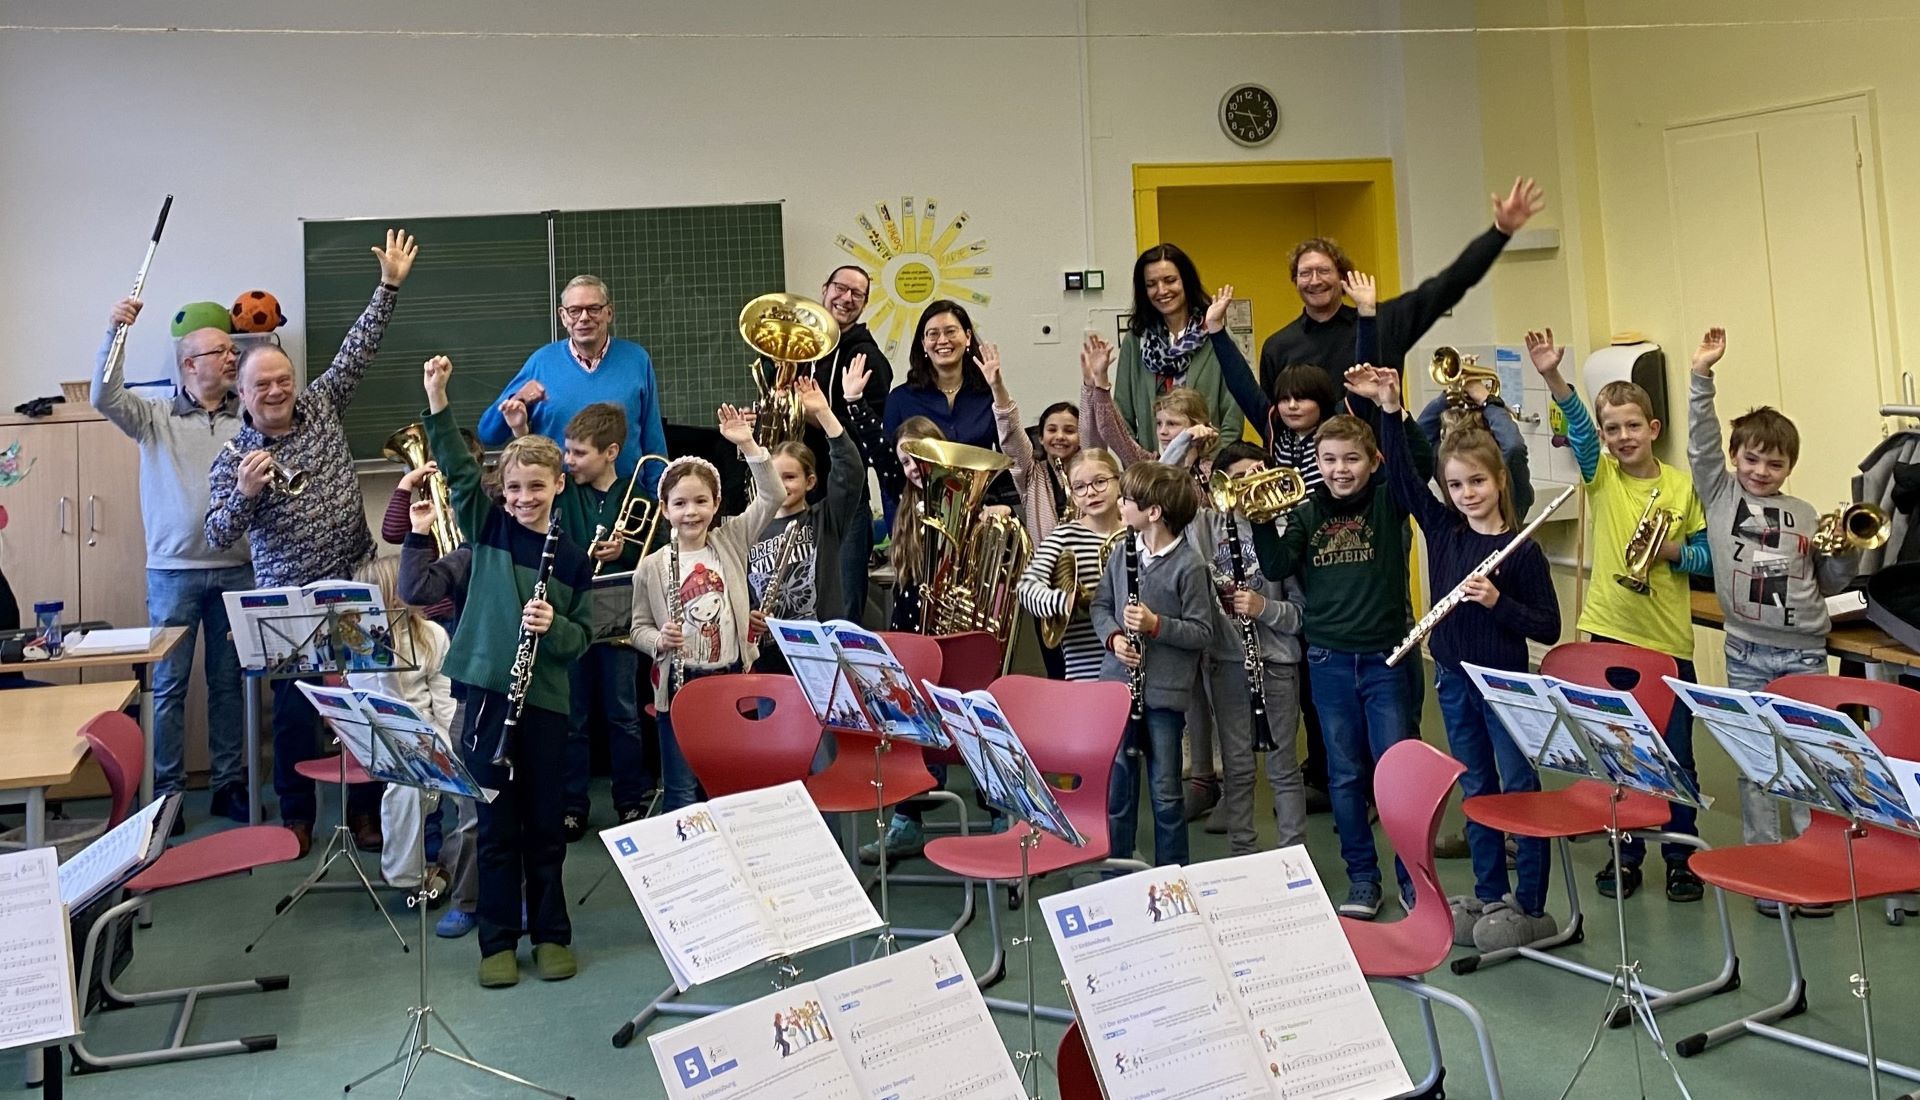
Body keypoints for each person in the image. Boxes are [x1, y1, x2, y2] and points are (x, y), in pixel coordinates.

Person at [205, 228, 417, 856]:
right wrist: (244, 493)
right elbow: (218, 534)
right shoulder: (234, 454)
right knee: (297, 715)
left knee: (366, 706)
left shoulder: (322, 406)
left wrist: (389, 286)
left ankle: (367, 815)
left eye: (282, 380)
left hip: (354, 585)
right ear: (241, 396)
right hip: (287, 602)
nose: (275, 392)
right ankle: (295, 817)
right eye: (261, 385)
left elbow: (358, 349)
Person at [1363, 365, 1561, 950]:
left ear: (1499, 481)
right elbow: (1401, 481)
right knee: (1475, 788)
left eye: (1477, 482)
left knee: (1518, 787)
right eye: (1456, 485)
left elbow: (1546, 625)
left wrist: (1498, 602)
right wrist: (1393, 411)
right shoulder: (1447, 531)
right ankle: (1489, 891)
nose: (1466, 494)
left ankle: (1529, 904)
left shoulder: (1520, 549)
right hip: (1453, 679)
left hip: (1505, 686)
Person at [422, 353, 594, 988]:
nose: (524, 498)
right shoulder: (488, 527)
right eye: (514, 488)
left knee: (545, 828)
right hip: (488, 696)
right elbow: (460, 473)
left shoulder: (572, 559)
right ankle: (496, 939)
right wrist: (439, 402)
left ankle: (551, 933)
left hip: (544, 703)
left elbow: (581, 639)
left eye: (537, 488)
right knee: (494, 827)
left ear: (558, 488)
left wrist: (557, 629)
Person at [1527, 328, 1710, 904]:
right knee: (1620, 753)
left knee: (1678, 758)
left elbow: (1704, 555)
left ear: (1653, 429)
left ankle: (1681, 855)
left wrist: (1673, 550)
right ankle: (1624, 852)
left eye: (1633, 425)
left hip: (1668, 644)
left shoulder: (1682, 488)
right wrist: (1556, 378)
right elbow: (1577, 425)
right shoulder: (1600, 477)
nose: (1622, 436)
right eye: (1612, 429)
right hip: (1610, 635)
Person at [1686, 327, 1857, 916]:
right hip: (1746, 652)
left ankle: (1811, 867)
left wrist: (1843, 553)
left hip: (1805, 652)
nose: (1762, 470)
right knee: (1758, 765)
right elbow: (1701, 444)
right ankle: (1766, 866)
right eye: (1751, 459)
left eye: (1774, 462)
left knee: (1807, 762)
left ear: (1790, 467)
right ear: (1735, 460)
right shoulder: (1721, 495)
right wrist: (1702, 376)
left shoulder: (1804, 512)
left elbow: (1827, 583)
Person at [90, 296, 252, 823]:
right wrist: (117, 332)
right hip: (172, 574)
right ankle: (167, 795)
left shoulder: (247, 415)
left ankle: (230, 783)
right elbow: (102, 394)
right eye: (220, 351)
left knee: (230, 683)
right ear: (189, 365)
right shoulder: (153, 416)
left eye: (233, 350)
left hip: (236, 568)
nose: (232, 358)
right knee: (169, 688)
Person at [1250, 413, 1415, 920]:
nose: (1340, 469)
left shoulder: (1390, 500)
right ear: (1315, 464)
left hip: (1388, 657)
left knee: (1396, 774)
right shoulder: (1305, 513)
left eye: (1351, 459)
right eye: (1328, 460)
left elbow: (1416, 464)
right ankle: (1363, 878)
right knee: (1344, 776)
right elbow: (1277, 567)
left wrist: (1388, 409)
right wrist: (1257, 517)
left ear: (1373, 461)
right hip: (1328, 658)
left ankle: (1414, 880)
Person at [1255, 179, 1546, 396]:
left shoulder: (1386, 322)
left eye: (1323, 271)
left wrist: (1500, 233)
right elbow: (1271, 419)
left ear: (1343, 277)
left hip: (1383, 465)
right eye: (1305, 273)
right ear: (1295, 281)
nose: (1315, 280)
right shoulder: (1278, 347)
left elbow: (1451, 283)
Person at [629, 406, 781, 812]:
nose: (691, 512)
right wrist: (658, 640)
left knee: (730, 783)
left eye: (700, 501)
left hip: (731, 678)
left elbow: (773, 495)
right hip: (678, 688)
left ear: (716, 504)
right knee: (680, 792)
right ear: (665, 509)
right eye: (679, 504)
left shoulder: (730, 540)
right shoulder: (652, 565)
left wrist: (747, 444)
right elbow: (638, 628)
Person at [1187, 440, 1308, 857]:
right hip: (1225, 664)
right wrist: (1186, 450)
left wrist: (1264, 607)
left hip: (1275, 662)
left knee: (1283, 766)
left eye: (1258, 474)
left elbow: (1300, 616)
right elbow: (1164, 489)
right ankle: (1244, 855)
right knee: (1237, 768)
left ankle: (1294, 856)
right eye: (1239, 478)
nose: (1249, 486)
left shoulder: (1286, 530)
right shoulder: (1206, 526)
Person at [1091, 461, 1215, 868]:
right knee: (1118, 793)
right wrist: (1113, 638)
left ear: (1154, 512)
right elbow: (1101, 605)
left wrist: (1156, 625)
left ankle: (1172, 877)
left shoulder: (1190, 566)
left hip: (1162, 697)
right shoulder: (1121, 552)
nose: (1121, 504)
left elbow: (1202, 633)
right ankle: (1118, 873)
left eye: (1127, 499)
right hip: (1118, 692)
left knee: (1165, 794)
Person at [755, 266, 894, 623]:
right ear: (824, 288)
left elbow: (870, 437)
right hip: (789, 499)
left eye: (857, 294)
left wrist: (808, 413)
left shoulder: (868, 359)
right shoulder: (798, 351)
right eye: (840, 288)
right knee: (786, 601)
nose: (846, 298)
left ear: (864, 303)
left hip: (841, 502)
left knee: (841, 607)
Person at [554, 402, 648, 842]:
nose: (568, 460)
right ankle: (572, 804)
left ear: (610, 452)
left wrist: (625, 551)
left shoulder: (638, 494)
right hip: (573, 617)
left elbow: (655, 550)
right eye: (567, 451)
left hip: (620, 623)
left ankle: (631, 799)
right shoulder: (563, 492)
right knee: (572, 718)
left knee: (623, 715)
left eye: (578, 453)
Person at [476, 274, 668, 487]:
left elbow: (654, 442)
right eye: (574, 311)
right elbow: (489, 433)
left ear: (609, 313)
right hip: (560, 500)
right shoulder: (542, 362)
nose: (584, 318)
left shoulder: (636, 360)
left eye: (593, 309)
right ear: (563, 316)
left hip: (625, 499)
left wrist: (656, 500)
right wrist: (518, 398)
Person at [396, 501, 481, 938]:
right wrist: (417, 534)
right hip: (474, 692)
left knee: (529, 807)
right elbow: (415, 590)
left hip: (534, 693)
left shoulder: (548, 549)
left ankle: (524, 897)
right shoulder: (469, 554)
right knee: (470, 807)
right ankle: (467, 899)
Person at [346, 555, 454, 897]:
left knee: (469, 773)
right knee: (408, 784)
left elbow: (445, 700)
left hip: (427, 729)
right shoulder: (358, 640)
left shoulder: (432, 634)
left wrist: (454, 749)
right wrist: (385, 665)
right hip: (380, 732)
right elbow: (377, 706)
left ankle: (455, 861)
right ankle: (405, 873)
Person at [749, 375, 869, 670]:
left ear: (810, 481)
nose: (782, 485)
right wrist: (747, 613)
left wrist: (824, 415)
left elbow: (851, 472)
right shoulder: (749, 529)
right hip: (769, 658)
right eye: (774, 477)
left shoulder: (824, 520)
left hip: (821, 653)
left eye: (790, 477)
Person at [879, 300, 1020, 524]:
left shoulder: (988, 394)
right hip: (921, 522)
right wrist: (897, 526)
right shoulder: (900, 400)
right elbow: (890, 470)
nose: (942, 340)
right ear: (923, 344)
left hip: (980, 518)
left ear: (968, 337)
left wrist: (1004, 507)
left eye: (950, 331)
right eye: (932, 334)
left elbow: (1011, 453)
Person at [1111, 244, 1245, 450]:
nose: (1162, 290)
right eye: (1151, 284)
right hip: (1153, 470)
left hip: (1207, 467)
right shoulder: (1135, 341)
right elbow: (1122, 415)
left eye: (1170, 280)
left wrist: (1213, 464)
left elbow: (1232, 418)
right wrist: (1141, 464)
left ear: (1186, 282)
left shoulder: (1217, 338)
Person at [1016, 448, 1125, 683]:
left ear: (1119, 482)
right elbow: (1026, 588)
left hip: (1138, 667)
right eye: (1080, 487)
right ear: (1073, 495)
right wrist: (1062, 601)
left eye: (1100, 482)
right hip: (1087, 673)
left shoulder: (1135, 533)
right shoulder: (1064, 536)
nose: (1091, 493)